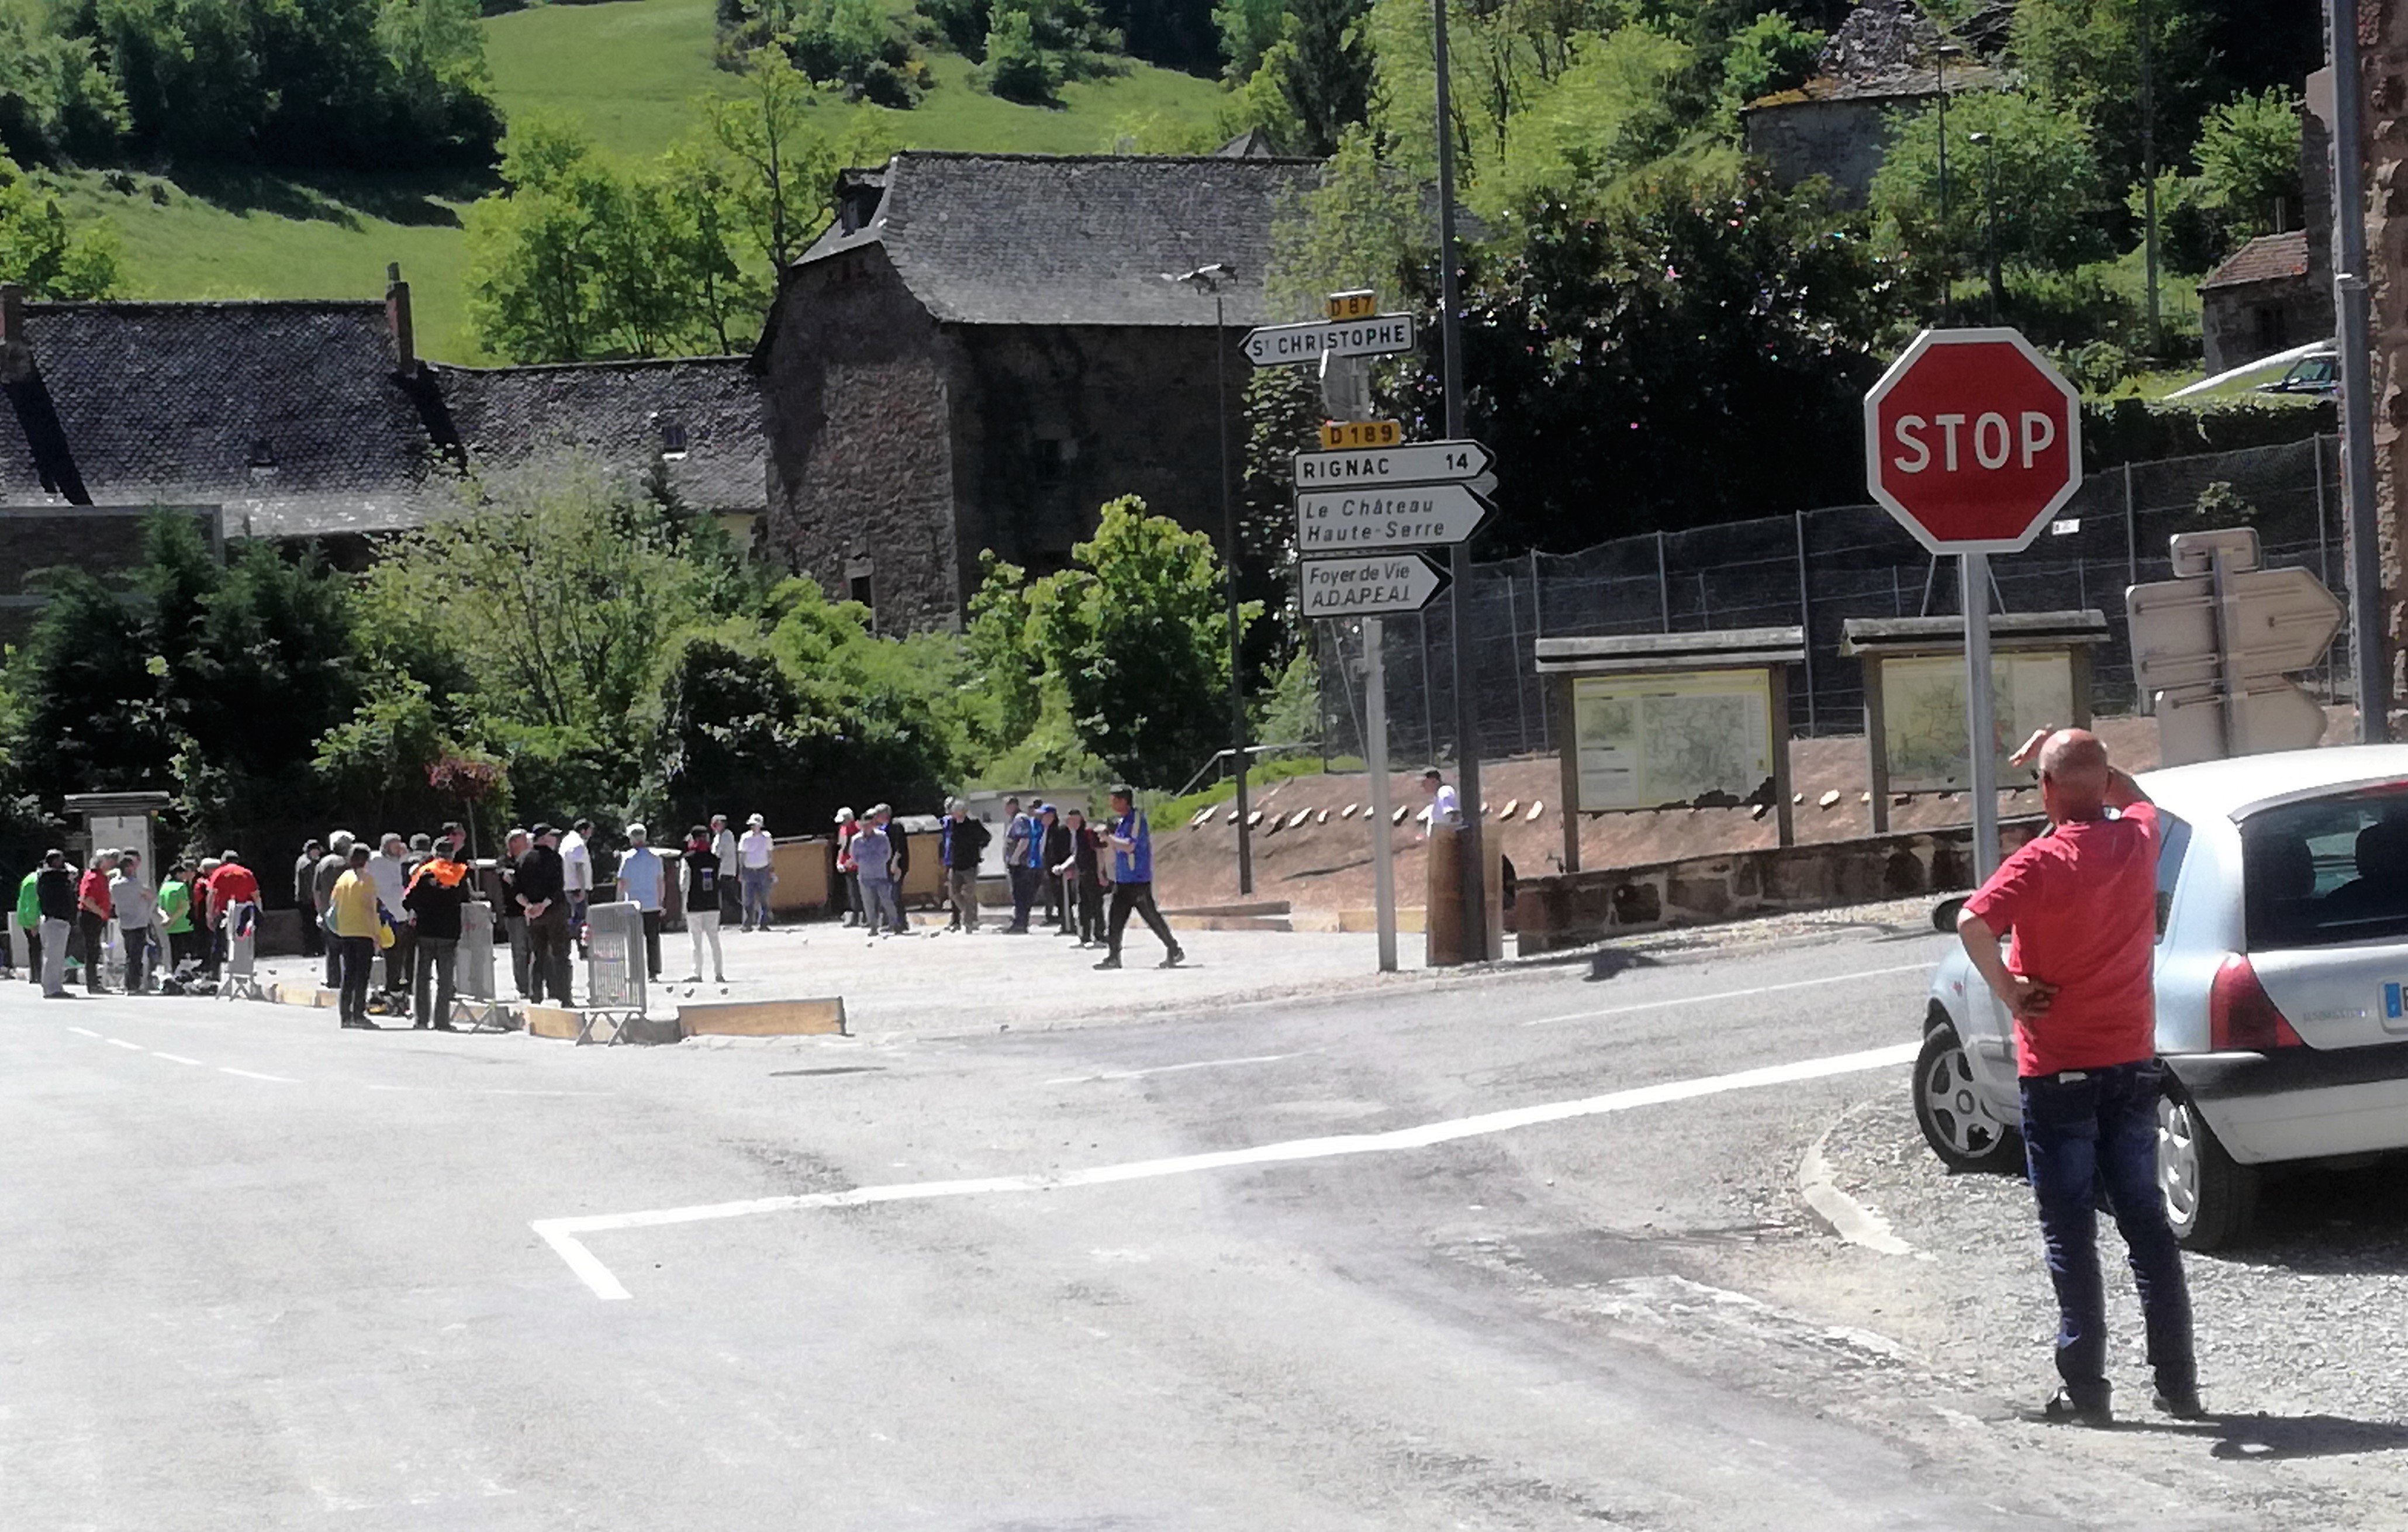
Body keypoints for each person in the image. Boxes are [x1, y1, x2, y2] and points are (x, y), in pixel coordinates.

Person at [1956, 726, 2199, 1428]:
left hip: (2057, 1066)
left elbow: (1974, 923)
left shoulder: (2037, 861)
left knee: (2069, 1231)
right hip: (2130, 1060)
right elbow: (2137, 796)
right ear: (2098, 784)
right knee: (2147, 1224)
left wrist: (2009, 991)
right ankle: (2177, 1383)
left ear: (2046, 790)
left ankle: (2086, 1388)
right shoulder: (2136, 840)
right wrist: (2086, 764)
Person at [1097, 786, 1183, 971]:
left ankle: (1173, 949)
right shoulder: (1120, 822)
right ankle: (1114, 957)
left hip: (1138, 879)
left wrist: (1108, 838)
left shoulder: (1136, 820)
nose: (1110, 804)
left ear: (1123, 801)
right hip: (1123, 880)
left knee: (1151, 917)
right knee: (1115, 919)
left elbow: (1129, 846)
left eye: (1113, 800)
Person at [403, 833, 472, 1030]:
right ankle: (442, 1021)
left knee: (422, 977)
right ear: (452, 854)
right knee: (445, 979)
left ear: (434, 853)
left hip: (425, 931)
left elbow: (407, 899)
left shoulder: (425, 871)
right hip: (449, 932)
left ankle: (421, 1020)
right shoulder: (460, 873)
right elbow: (465, 898)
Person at [326, 842, 384, 1029]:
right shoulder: (367, 880)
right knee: (362, 975)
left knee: (348, 974)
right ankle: (359, 1014)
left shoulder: (344, 878)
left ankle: (345, 1016)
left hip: (345, 930)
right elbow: (370, 908)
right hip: (363, 931)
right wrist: (376, 934)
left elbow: (333, 901)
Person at [516, 824, 572, 1005]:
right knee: (561, 954)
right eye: (551, 836)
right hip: (554, 912)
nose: (554, 839)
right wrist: (544, 905)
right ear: (544, 838)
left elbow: (515, 888)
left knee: (537, 954)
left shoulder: (523, 858)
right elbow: (557, 886)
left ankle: (536, 994)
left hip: (533, 915)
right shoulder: (554, 858)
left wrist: (529, 906)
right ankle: (564, 996)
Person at [616, 822, 666, 980]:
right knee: (653, 939)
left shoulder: (627, 858)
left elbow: (623, 882)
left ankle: (636, 971)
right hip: (652, 903)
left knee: (634, 940)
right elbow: (660, 881)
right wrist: (661, 901)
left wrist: (618, 901)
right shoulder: (655, 858)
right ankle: (654, 972)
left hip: (633, 904)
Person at [367, 833, 412, 1005]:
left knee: (399, 954)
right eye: (394, 846)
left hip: (401, 914)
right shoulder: (375, 861)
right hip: (383, 914)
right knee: (385, 953)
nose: (397, 849)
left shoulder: (401, 861)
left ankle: (396, 986)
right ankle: (383, 987)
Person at [204, 850, 260, 982]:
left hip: (224, 913)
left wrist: (209, 915)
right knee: (242, 943)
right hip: (244, 914)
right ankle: (242, 974)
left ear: (223, 862)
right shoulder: (247, 873)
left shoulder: (219, 873)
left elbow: (212, 895)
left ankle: (215, 974)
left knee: (219, 943)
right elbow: (256, 896)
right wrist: (257, 915)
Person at [110, 850, 158, 994]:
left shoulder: (114, 884)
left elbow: (112, 901)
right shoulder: (135, 884)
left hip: (124, 922)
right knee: (136, 956)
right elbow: (151, 895)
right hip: (139, 922)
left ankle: (128, 984)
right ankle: (134, 986)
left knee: (129, 954)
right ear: (128, 869)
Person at [1056, 806, 1105, 947]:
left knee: (1096, 905)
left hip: (1092, 874)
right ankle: (1084, 936)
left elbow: (1099, 852)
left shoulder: (1089, 832)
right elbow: (1076, 855)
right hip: (1082, 874)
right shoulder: (1077, 834)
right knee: (1082, 906)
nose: (1068, 822)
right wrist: (1065, 867)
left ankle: (1100, 937)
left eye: (1071, 819)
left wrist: (1100, 874)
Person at [682, 825, 725, 982]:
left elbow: (684, 884)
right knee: (714, 939)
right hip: (713, 903)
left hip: (694, 904)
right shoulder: (716, 860)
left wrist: (683, 905)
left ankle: (697, 973)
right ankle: (719, 973)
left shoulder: (688, 859)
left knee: (696, 940)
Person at [940, 799, 990, 932]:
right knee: (954, 894)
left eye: (955, 812)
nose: (953, 814)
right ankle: (970, 916)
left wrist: (977, 849)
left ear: (961, 812)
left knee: (969, 893)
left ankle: (970, 921)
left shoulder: (973, 823)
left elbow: (986, 837)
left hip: (970, 864)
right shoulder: (952, 824)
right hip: (956, 864)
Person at [852, 806, 900, 937]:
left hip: (880, 874)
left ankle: (895, 923)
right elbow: (854, 857)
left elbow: (888, 853)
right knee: (868, 903)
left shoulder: (882, 837)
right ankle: (873, 927)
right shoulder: (856, 840)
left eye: (869, 825)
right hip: (865, 875)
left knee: (886, 900)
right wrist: (864, 864)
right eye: (864, 825)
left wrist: (879, 864)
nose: (867, 828)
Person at [314, 833, 354, 989]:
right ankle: (348, 979)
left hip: (328, 910)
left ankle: (333, 979)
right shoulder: (349, 864)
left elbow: (317, 891)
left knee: (332, 948)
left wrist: (320, 911)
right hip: (347, 909)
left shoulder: (322, 864)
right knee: (349, 947)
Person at [36, 850, 77, 998]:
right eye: (61, 860)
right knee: (53, 957)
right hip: (55, 920)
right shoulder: (51, 876)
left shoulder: (47, 876)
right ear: (54, 862)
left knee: (56, 957)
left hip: (55, 920)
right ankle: (52, 989)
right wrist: (67, 868)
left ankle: (55, 987)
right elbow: (74, 872)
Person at [497, 828, 532, 999]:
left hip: (533, 911)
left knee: (534, 950)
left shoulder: (530, 859)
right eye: (524, 840)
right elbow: (509, 879)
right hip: (515, 913)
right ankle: (523, 987)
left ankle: (536, 985)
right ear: (513, 843)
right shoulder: (505, 862)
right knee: (520, 951)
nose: (527, 844)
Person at [77, 848, 116, 993]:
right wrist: (101, 913)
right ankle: (92, 984)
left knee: (95, 949)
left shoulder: (102, 876)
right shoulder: (93, 877)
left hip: (95, 916)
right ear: (101, 862)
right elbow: (87, 899)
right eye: (108, 860)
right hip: (91, 916)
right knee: (92, 950)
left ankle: (95, 983)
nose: (111, 863)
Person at [1001, 797, 1039, 933]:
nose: (1005, 809)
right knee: (1018, 894)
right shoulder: (1014, 819)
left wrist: (1015, 858)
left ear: (1013, 805)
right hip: (1016, 864)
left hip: (1020, 865)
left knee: (1021, 894)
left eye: (1006, 806)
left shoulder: (1020, 819)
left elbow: (1024, 840)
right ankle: (1019, 922)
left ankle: (1021, 924)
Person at [158, 861, 198, 974]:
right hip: (183, 925)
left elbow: (160, 907)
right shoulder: (181, 887)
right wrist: (173, 920)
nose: (186, 876)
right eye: (184, 873)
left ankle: (172, 974)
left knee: (173, 954)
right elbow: (184, 907)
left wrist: (167, 920)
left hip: (168, 927)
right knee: (184, 956)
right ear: (178, 874)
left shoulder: (164, 887)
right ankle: (183, 977)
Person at [1040, 803, 1073, 936]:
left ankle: (1069, 924)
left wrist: (1064, 867)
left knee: (1064, 899)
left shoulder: (1060, 830)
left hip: (1060, 870)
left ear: (1051, 816)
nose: (1041, 818)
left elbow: (1065, 850)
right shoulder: (1047, 830)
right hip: (1050, 870)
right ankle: (1064, 923)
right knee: (1057, 898)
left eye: (1043, 815)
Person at [738, 813, 775, 930]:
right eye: (752, 825)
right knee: (748, 899)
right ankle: (747, 924)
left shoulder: (767, 837)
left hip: (763, 869)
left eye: (756, 825)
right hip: (749, 870)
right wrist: (741, 871)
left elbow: (770, 854)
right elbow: (742, 854)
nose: (754, 827)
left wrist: (771, 869)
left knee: (764, 898)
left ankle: (763, 923)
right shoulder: (745, 837)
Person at [879, 805, 911, 934]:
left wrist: (895, 864)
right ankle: (897, 923)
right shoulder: (883, 829)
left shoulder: (896, 827)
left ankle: (899, 924)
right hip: (886, 866)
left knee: (895, 895)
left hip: (897, 865)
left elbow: (899, 848)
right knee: (890, 895)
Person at [294, 839, 324, 960]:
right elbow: (311, 885)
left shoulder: (301, 861)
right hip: (309, 900)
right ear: (312, 850)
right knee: (313, 926)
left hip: (302, 899)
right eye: (317, 851)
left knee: (307, 926)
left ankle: (310, 949)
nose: (319, 854)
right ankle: (315, 949)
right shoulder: (309, 865)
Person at [832, 808, 862, 927]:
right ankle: (854, 917)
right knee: (852, 893)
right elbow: (842, 848)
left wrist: (851, 862)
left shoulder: (859, 829)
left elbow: (859, 849)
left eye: (844, 820)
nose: (842, 823)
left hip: (858, 865)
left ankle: (864, 917)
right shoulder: (842, 830)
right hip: (847, 867)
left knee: (862, 893)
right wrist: (839, 862)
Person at [17, 861, 43, 989]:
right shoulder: (35, 881)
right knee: (37, 947)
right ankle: (38, 975)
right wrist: (34, 923)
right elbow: (33, 904)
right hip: (31, 919)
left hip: (24, 918)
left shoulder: (29, 878)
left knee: (33, 947)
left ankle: (35, 975)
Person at [1420, 768, 1462, 840]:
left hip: (1446, 842)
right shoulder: (1438, 795)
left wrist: (1451, 841)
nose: (1422, 786)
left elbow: (1455, 816)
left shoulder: (1444, 792)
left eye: (1424, 782)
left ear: (1434, 781)